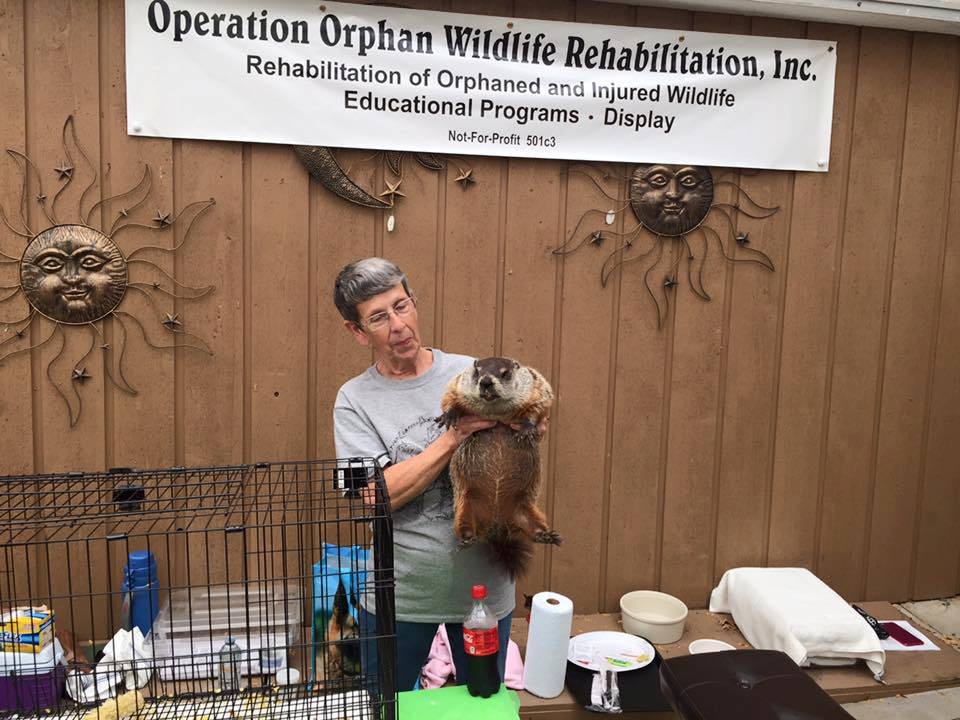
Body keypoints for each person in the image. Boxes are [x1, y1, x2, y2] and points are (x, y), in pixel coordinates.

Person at [332, 257, 514, 692]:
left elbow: (515, 447)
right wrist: (453, 438)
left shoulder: (472, 373)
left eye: (402, 306)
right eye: (378, 317)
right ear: (358, 332)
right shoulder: (354, 401)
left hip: (483, 589)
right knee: (387, 705)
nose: (398, 324)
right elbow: (374, 496)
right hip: (400, 595)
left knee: (481, 705)